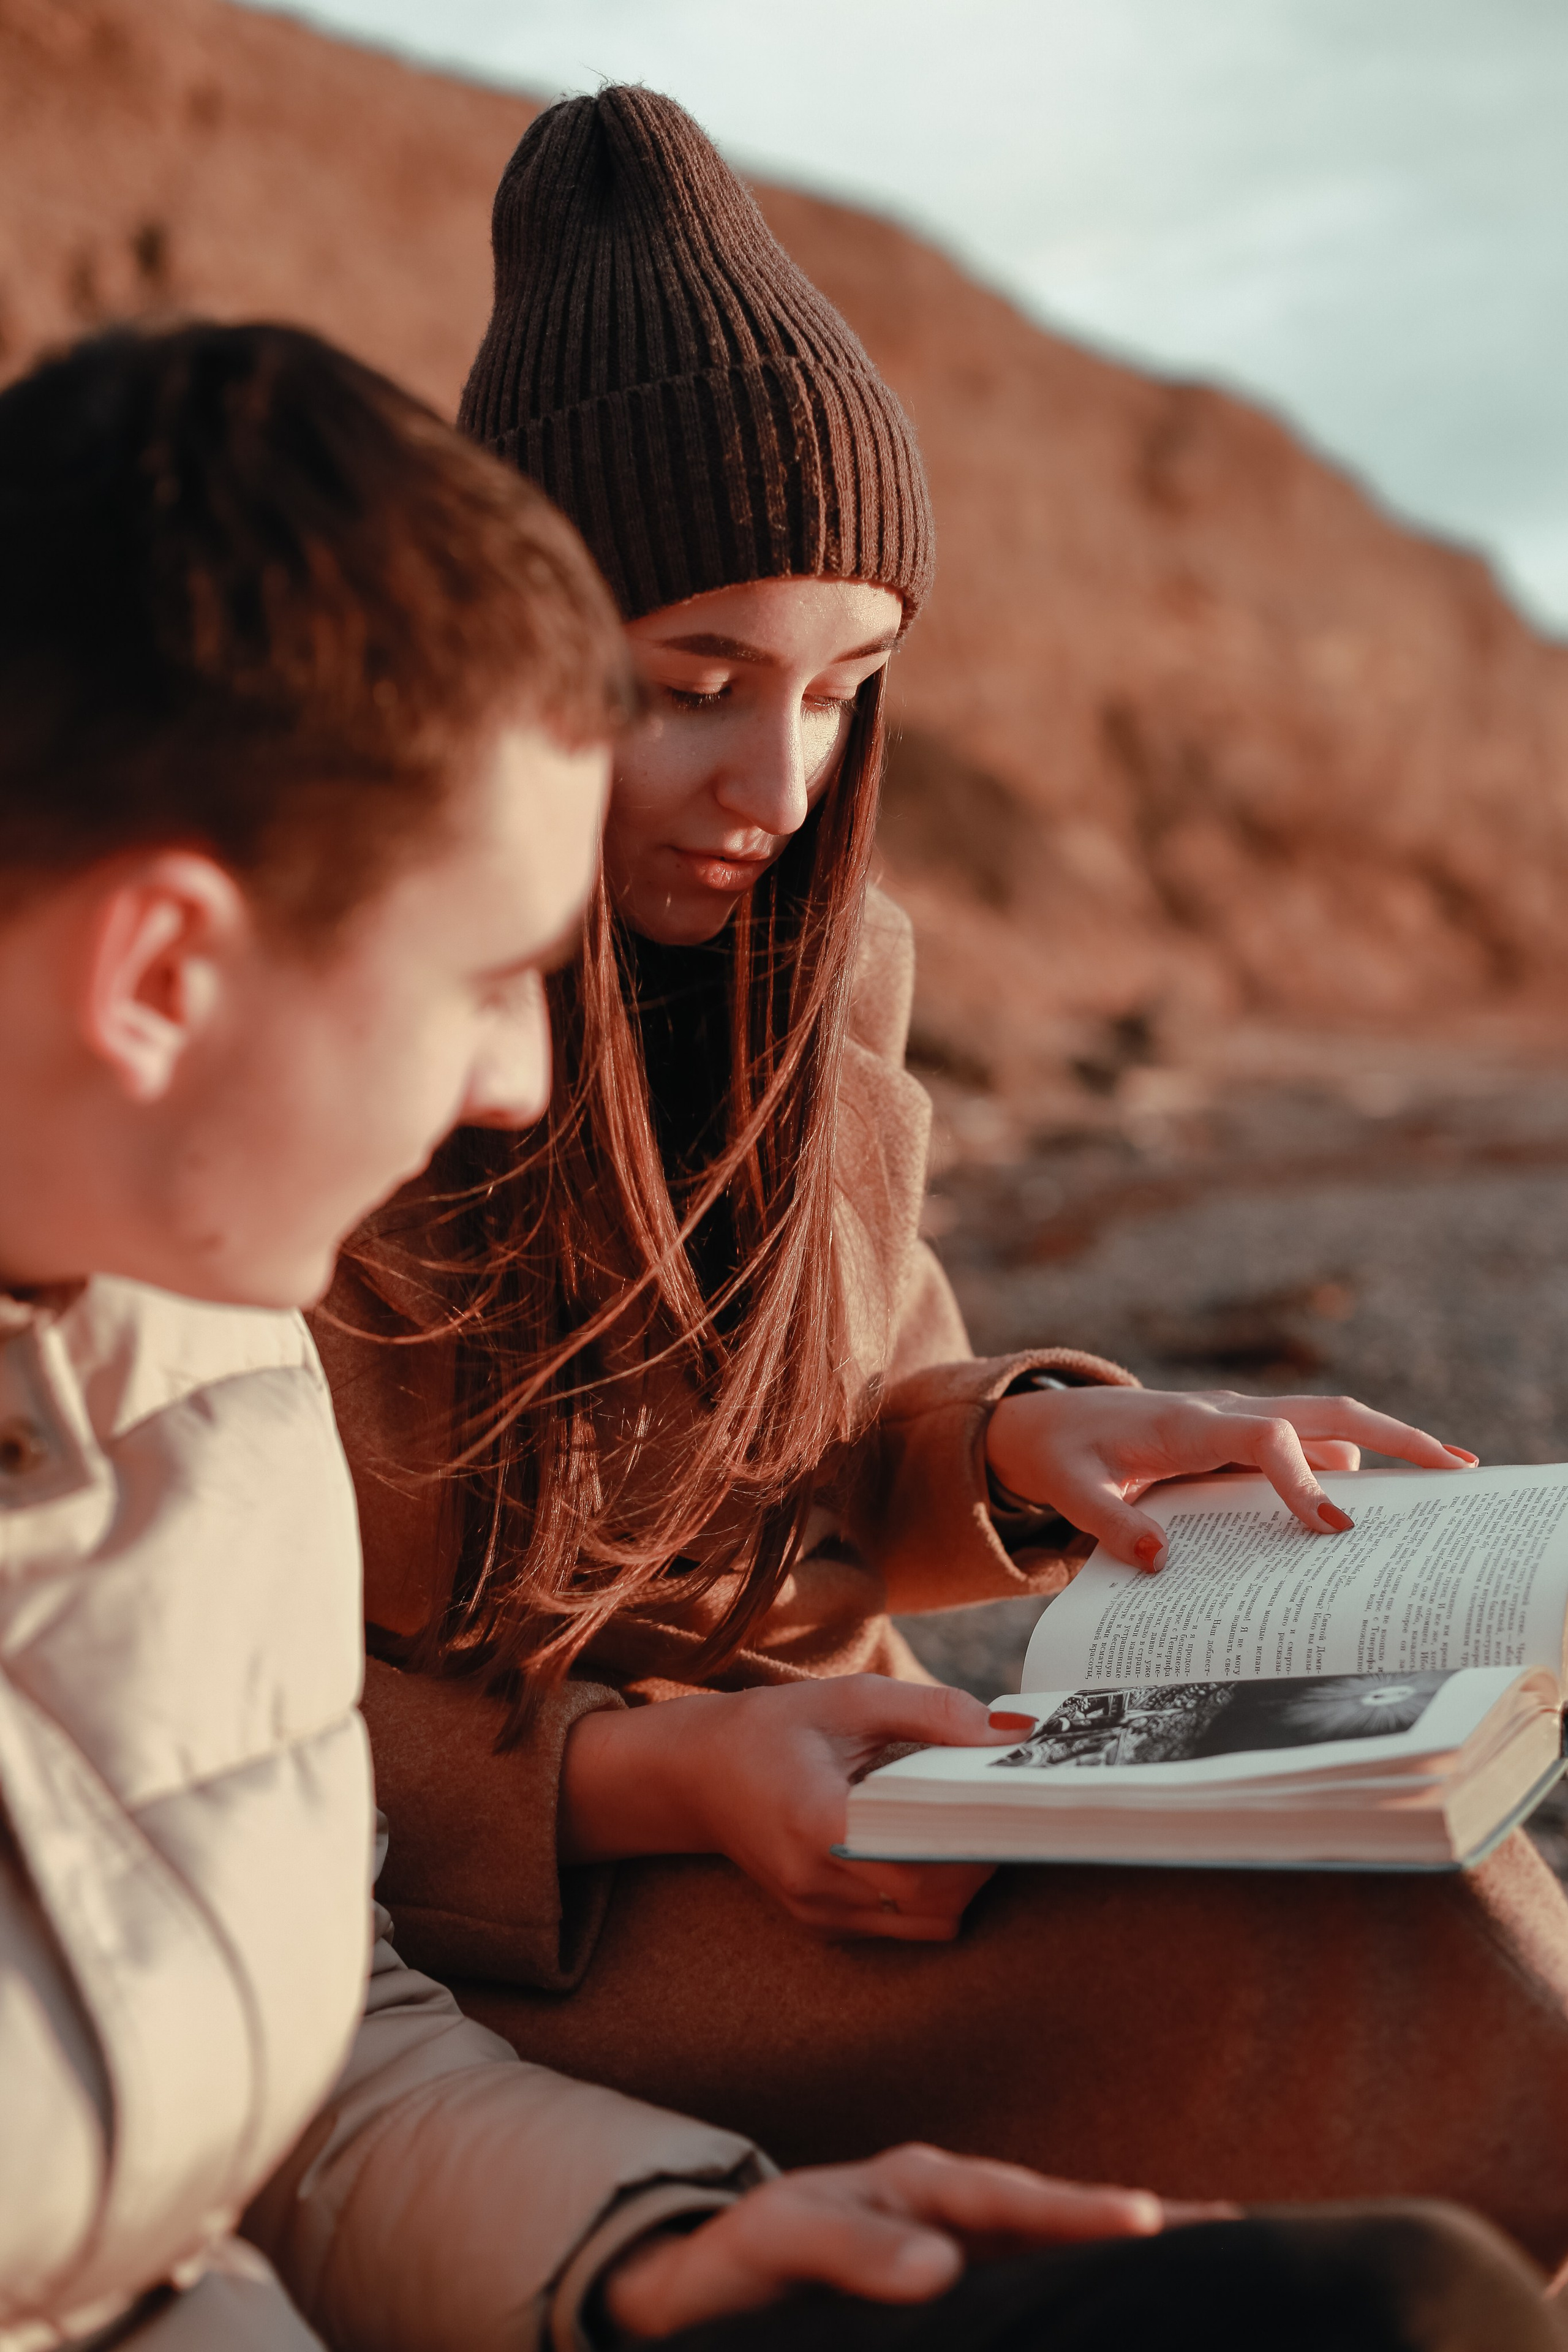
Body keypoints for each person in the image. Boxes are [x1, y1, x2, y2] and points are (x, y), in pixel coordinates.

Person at [317, 83, 1568, 2279]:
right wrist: (656, 1778)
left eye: (844, 689)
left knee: (1445, 1898)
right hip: (504, 1913)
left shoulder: (829, 965)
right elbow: (194, 1696)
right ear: (520, 665)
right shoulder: (343, 1032)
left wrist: (1033, 1438)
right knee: (1386, 2012)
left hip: (865, 1782)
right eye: (693, 685)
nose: (778, 785)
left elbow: (843, 1446)